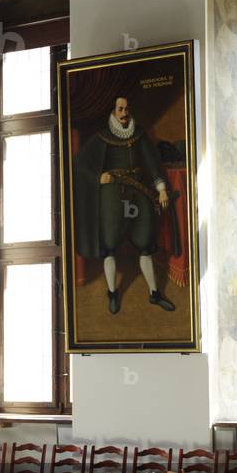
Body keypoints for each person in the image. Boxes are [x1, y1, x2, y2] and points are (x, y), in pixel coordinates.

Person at [73, 96, 176, 315]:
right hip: (111, 194)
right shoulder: (101, 137)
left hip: (138, 191)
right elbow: (80, 164)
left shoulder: (139, 134)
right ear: (113, 112)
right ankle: (112, 293)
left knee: (145, 241)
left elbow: (152, 162)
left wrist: (161, 188)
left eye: (127, 109)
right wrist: (98, 178)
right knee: (109, 244)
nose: (124, 113)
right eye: (120, 109)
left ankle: (154, 293)